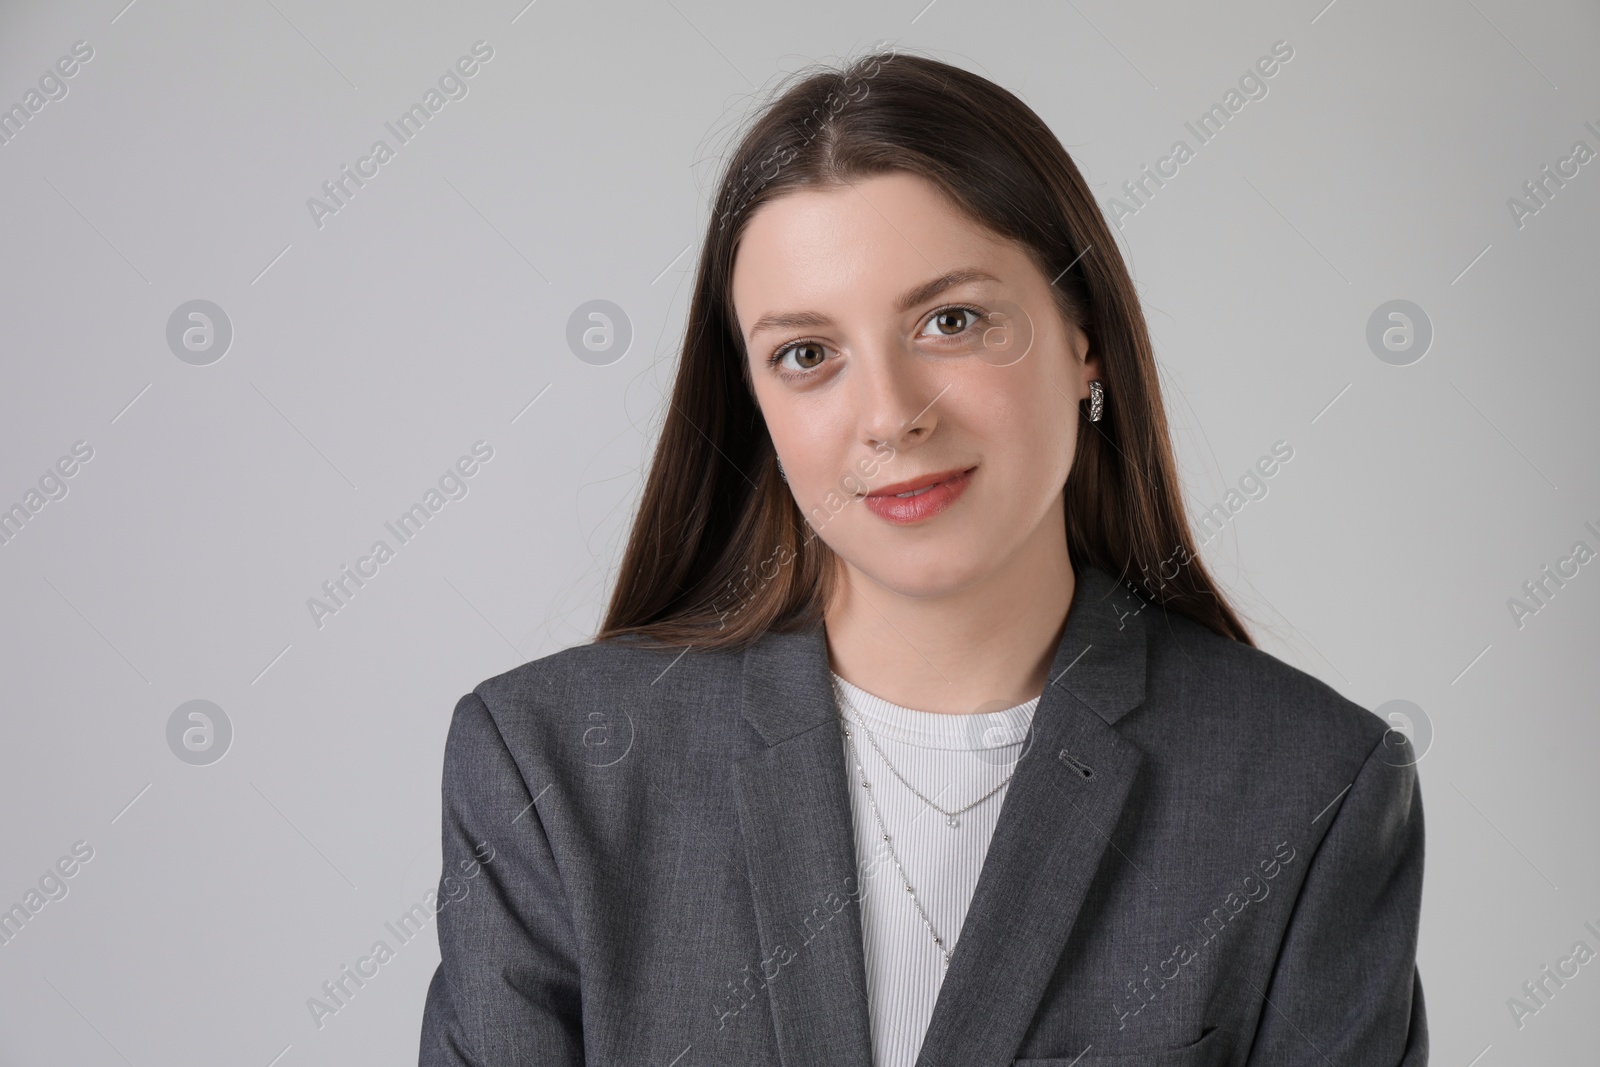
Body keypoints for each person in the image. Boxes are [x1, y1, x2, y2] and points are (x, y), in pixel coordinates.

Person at [419, 50, 1427, 1067]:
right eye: (807, 354)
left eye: (951, 320)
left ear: (1084, 340)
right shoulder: (547, 767)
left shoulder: (1311, 789)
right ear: (756, 403)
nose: (892, 414)